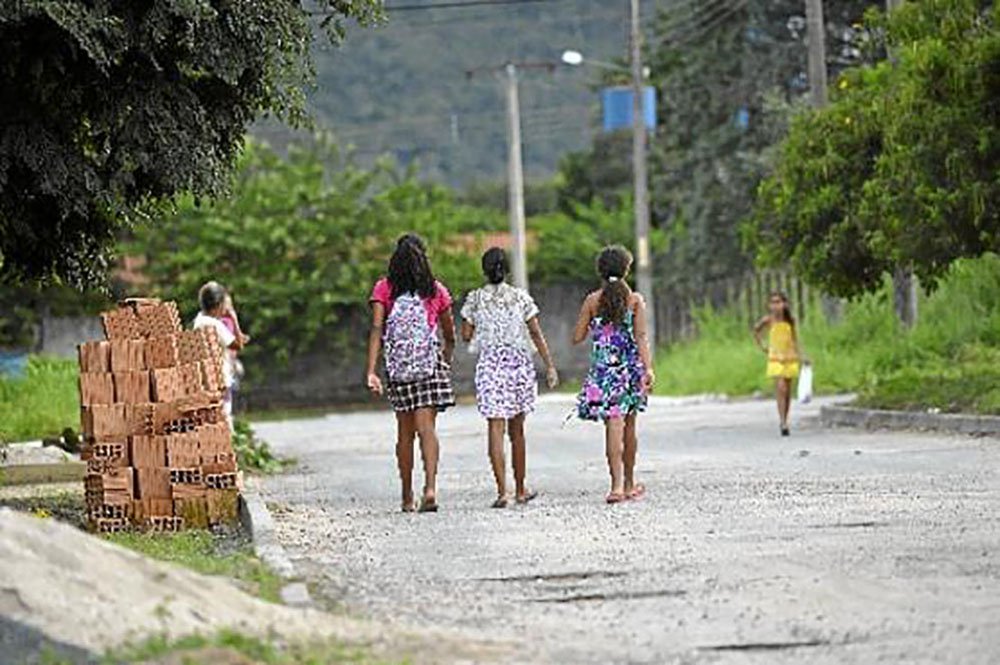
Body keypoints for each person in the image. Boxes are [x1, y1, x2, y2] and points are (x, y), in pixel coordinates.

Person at [460, 248, 559, 508]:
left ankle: (502, 492)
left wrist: (486, 329)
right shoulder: (520, 297)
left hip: (490, 366)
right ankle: (521, 489)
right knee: (517, 431)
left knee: (495, 428)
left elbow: (466, 335)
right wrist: (549, 366)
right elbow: (536, 333)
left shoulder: (475, 299)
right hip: (518, 365)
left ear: (484, 270)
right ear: (507, 269)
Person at [366, 234, 456, 513]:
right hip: (428, 368)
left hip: (399, 370)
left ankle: (407, 495)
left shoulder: (384, 288)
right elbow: (449, 334)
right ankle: (430, 488)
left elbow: (378, 330)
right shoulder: (436, 290)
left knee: (405, 434)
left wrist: (371, 371)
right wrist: (445, 359)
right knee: (427, 428)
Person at [573, 246, 654, 504]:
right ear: (626, 269)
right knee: (629, 427)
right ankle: (629, 484)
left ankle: (616, 486)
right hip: (630, 370)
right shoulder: (635, 301)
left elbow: (577, 337)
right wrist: (648, 368)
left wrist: (594, 328)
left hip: (604, 372)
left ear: (600, 270)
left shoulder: (592, 301)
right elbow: (641, 337)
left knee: (612, 427)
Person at [193, 281, 246, 424]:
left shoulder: (199, 320)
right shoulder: (216, 324)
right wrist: (233, 318)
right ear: (219, 304)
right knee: (225, 419)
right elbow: (238, 345)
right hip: (220, 379)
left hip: (207, 380)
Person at [753, 291, 804, 436]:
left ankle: (785, 418)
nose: (776, 306)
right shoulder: (768, 320)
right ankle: (782, 421)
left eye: (779, 302)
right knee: (780, 387)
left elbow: (795, 339)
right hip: (776, 358)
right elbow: (756, 330)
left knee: (787, 391)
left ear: (785, 304)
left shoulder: (790, 320)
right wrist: (762, 346)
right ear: (769, 305)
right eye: (773, 303)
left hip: (790, 357)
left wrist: (802, 355)